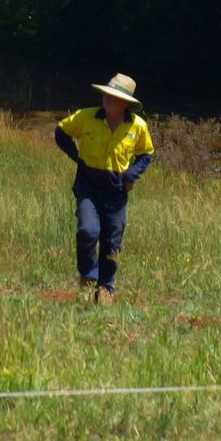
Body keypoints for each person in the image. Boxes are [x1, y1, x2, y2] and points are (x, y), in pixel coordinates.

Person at [54, 72, 154, 304]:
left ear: (126, 103)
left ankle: (107, 288)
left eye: (114, 96)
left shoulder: (138, 126)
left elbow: (146, 154)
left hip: (117, 193)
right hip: (88, 188)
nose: (108, 99)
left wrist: (132, 175)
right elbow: (61, 131)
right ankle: (88, 280)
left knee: (112, 241)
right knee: (88, 231)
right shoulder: (86, 117)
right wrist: (76, 157)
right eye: (106, 94)